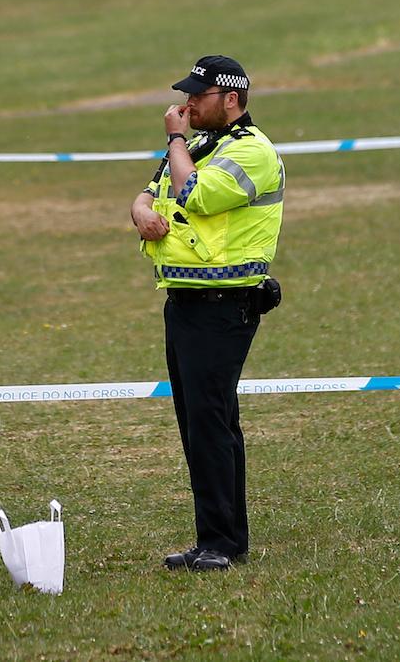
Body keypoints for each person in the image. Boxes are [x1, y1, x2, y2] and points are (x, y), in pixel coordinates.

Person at [130, 54, 284, 572]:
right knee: (199, 422)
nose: (187, 104)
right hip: (185, 304)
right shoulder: (201, 145)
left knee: (211, 423)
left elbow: (192, 194)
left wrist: (174, 140)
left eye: (199, 96)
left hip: (226, 306)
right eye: (187, 95)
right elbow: (148, 192)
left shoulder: (253, 153)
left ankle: (222, 542)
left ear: (232, 100)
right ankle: (218, 537)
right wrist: (141, 214)